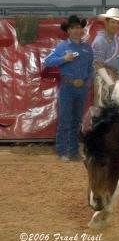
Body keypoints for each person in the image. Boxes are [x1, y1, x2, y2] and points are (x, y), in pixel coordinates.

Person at [44, 15, 93, 162]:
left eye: (78, 27)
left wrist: (86, 82)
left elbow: (90, 68)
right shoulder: (62, 47)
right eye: (73, 28)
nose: (76, 30)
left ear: (81, 29)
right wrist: (64, 59)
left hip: (81, 88)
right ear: (68, 31)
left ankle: (73, 152)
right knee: (65, 119)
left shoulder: (87, 48)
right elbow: (48, 62)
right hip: (67, 86)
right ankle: (62, 151)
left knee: (77, 120)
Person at [91, 8, 119, 106]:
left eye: (118, 23)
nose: (116, 25)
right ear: (106, 22)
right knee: (102, 107)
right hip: (103, 78)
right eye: (112, 22)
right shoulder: (100, 41)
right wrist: (110, 82)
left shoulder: (114, 38)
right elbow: (97, 64)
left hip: (113, 76)